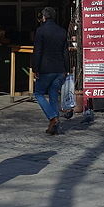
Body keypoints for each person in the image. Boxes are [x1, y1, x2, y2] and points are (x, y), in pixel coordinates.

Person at [31, 7, 69, 135]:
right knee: (53, 94)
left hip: (46, 68)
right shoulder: (62, 31)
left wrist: (35, 68)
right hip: (60, 69)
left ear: (44, 17)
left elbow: (37, 51)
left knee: (38, 93)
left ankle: (53, 117)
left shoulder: (40, 31)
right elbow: (65, 52)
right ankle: (54, 126)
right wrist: (67, 68)